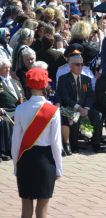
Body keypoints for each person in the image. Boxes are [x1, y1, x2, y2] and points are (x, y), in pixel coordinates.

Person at [11, 68, 62, 218]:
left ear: (28, 85)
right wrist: (59, 169)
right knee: (42, 210)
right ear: (45, 85)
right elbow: (56, 144)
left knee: (25, 209)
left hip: (24, 159)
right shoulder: (53, 110)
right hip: (45, 160)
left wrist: (16, 165)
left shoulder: (20, 109)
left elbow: (16, 142)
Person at [56, 54, 102, 154]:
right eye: (77, 64)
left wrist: (86, 108)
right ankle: (73, 145)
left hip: (85, 108)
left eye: (82, 64)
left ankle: (96, 144)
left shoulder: (87, 79)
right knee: (74, 116)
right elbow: (65, 97)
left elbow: (90, 96)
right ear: (70, 65)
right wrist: (78, 108)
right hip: (71, 107)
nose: (80, 67)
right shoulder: (63, 79)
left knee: (97, 115)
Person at [1, 58, 25, 160]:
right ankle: (5, 151)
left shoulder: (15, 81)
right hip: (5, 111)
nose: (7, 70)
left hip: (18, 109)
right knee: (5, 123)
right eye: (4, 68)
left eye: (9, 68)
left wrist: (23, 100)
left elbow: (23, 95)